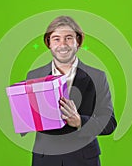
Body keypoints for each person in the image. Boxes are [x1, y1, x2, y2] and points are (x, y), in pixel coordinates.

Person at [26, 16, 117, 166]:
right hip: (46, 158)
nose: (62, 45)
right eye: (56, 39)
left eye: (68, 38)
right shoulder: (34, 76)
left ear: (78, 42)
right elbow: (31, 118)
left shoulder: (97, 77)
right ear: (48, 43)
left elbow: (109, 123)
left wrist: (80, 121)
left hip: (83, 159)